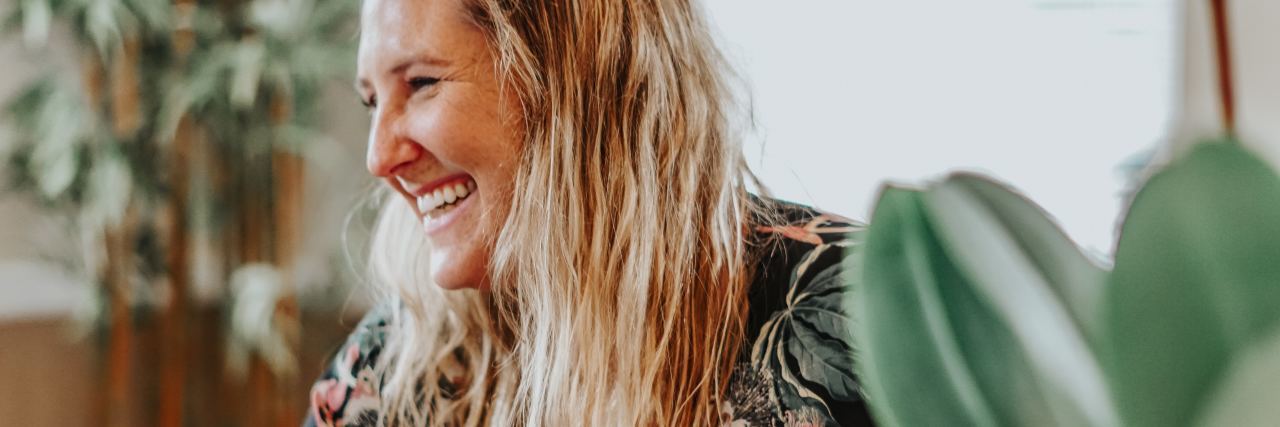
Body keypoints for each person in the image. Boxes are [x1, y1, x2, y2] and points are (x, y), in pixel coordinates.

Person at [305, 0, 873, 425]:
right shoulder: (388, 369)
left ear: (570, 76)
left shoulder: (848, 316)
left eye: (422, 84)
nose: (379, 158)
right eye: (373, 102)